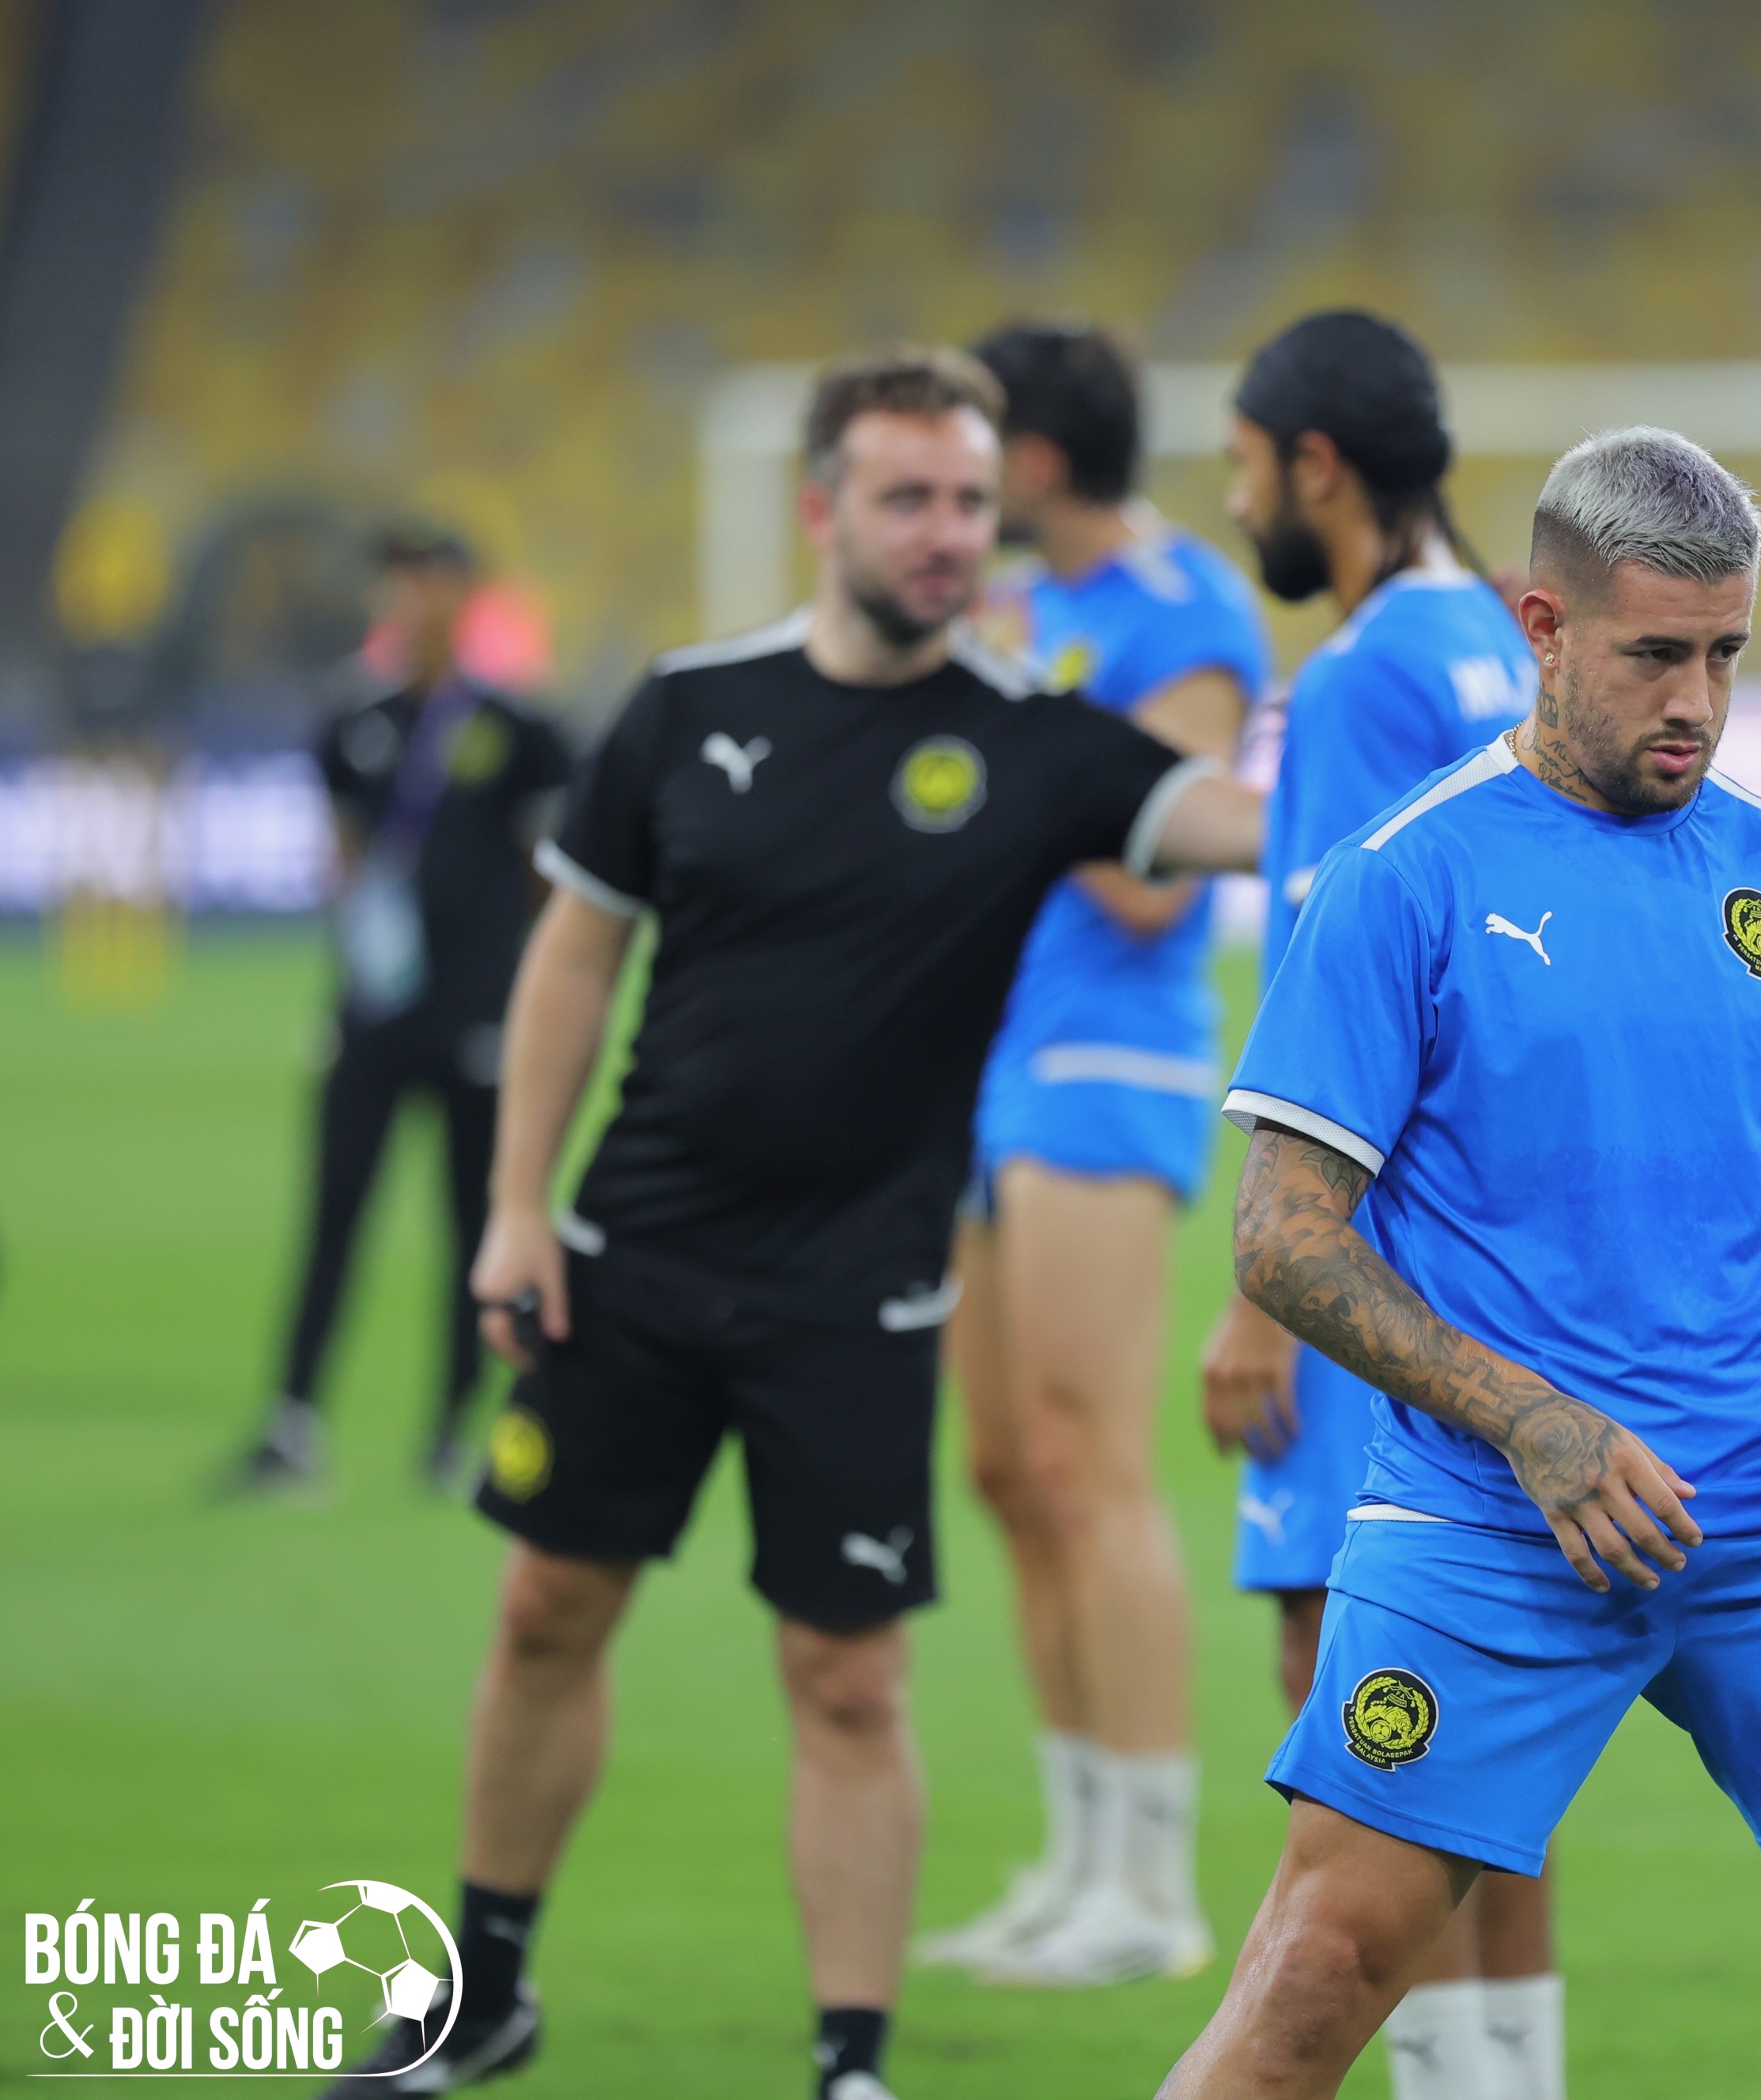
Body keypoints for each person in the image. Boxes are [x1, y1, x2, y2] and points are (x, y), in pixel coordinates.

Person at [326, 346, 1262, 2100]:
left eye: (970, 500)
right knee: (545, 1611)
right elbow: (573, 955)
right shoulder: (686, 708)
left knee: (847, 1678)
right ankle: (486, 1992)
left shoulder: (1036, 740)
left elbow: (1243, 826)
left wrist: (1446, 739)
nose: (947, 531)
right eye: (908, 498)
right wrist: (518, 1208)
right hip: (634, 1254)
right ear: (823, 510)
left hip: (862, 1292)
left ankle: (849, 2064)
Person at [1162, 425, 1761, 2100]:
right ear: (1542, 628)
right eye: (1653, 656)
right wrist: (1531, 1421)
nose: (1695, 700)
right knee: (1315, 1979)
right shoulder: (1404, 878)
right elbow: (1281, 1233)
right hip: (1497, 1524)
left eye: (1725, 656)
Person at [1196, 306, 1558, 2094]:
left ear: (1315, 466)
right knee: (1502, 1691)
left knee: (1359, 1690)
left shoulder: (1354, 681)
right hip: (1512, 1245)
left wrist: (1256, 1300)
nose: (1233, 496)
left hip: (1383, 1253)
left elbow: (1337, 1005)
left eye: (1242, 463)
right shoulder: (1495, 634)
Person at [915, 322, 1271, 1990]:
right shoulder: (1019, 611)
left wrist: (1005, 731)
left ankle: (1151, 1877)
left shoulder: (1182, 612)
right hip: (983, 1058)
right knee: (1006, 1467)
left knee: (1090, 1458)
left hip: (1104, 1055)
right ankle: (1073, 1858)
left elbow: (1146, 879)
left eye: (981, 455)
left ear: (1039, 461)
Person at [234, 521, 571, 1495]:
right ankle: (293, 1422)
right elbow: (342, 857)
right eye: (396, 582)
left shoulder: (520, 729)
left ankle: (451, 1432)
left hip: (478, 1016)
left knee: (474, 1225)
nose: (409, 599)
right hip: (374, 1016)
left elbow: (545, 873)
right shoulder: (351, 720)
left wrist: (499, 969)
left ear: (467, 595)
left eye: (428, 580)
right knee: (335, 1212)